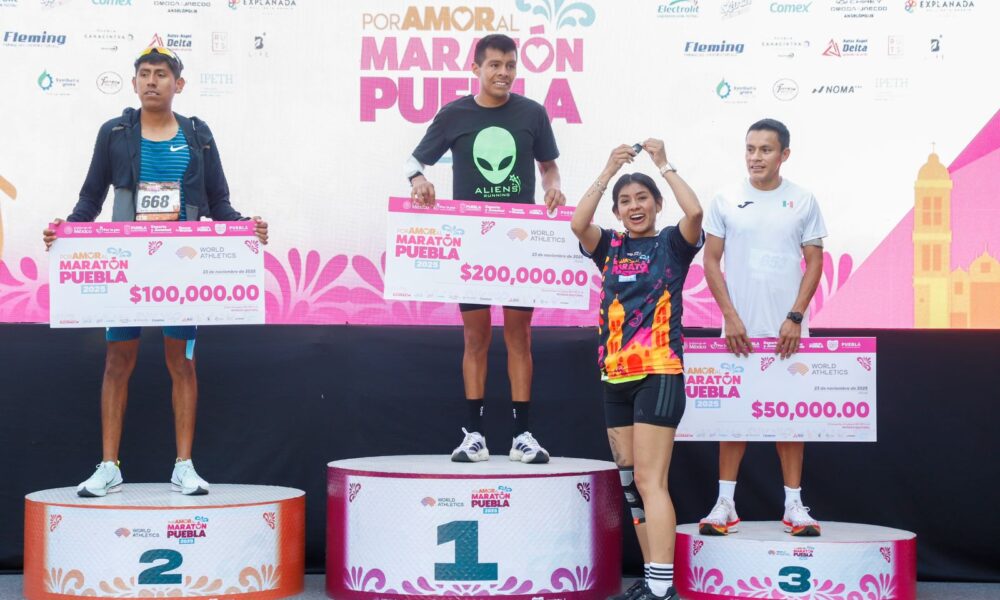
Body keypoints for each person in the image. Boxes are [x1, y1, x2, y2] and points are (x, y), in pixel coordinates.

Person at [41, 47, 269, 497]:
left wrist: (246, 227)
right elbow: (90, 198)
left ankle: (184, 466)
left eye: (161, 74)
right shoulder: (115, 133)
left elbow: (218, 203)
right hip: (127, 267)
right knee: (117, 362)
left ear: (177, 84)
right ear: (133, 83)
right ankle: (109, 467)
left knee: (181, 363)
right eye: (144, 74)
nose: (151, 81)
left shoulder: (198, 134)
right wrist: (66, 230)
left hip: (181, 268)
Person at [404, 34, 565, 464]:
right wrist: (419, 180)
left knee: (519, 336)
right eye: (494, 65)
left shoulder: (532, 113)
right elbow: (413, 161)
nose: (503, 73)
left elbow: (549, 167)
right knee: (475, 337)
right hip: (471, 244)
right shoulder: (454, 114)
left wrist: (553, 187)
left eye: (510, 65)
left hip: (519, 243)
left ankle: (522, 435)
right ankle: (474, 435)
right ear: (476, 69)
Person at [570, 140, 703, 600]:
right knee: (630, 486)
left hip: (659, 373)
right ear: (617, 212)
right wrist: (608, 169)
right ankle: (652, 579)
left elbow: (695, 212)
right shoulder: (609, 246)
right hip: (614, 378)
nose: (634, 206)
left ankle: (663, 589)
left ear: (657, 204)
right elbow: (578, 223)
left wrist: (663, 164)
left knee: (650, 481)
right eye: (625, 202)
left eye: (642, 198)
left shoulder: (672, 244)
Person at [698, 118, 827, 537]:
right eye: (750, 149)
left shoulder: (803, 200)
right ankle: (725, 504)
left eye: (765, 150)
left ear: (784, 154)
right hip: (738, 331)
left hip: (789, 333)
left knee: (790, 419)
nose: (755, 157)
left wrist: (795, 317)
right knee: (733, 419)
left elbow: (815, 262)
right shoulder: (726, 199)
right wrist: (730, 317)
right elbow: (710, 260)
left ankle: (793, 505)